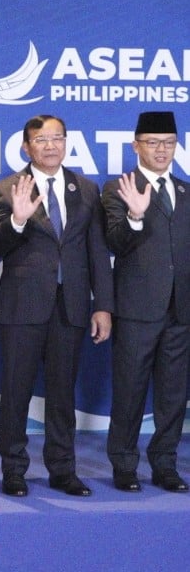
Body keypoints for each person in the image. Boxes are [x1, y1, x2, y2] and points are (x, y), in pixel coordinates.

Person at [0, 114, 113, 498]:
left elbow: (96, 253)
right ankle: (13, 470)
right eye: (42, 140)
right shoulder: (7, 188)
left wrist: (102, 305)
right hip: (22, 308)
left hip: (71, 307)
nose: (51, 145)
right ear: (26, 146)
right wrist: (18, 222)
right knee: (15, 391)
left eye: (58, 138)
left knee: (62, 394)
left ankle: (62, 469)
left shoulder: (86, 189)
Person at [102, 110, 190, 493]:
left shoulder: (186, 190)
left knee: (173, 393)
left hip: (181, 310)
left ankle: (165, 463)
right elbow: (114, 242)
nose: (161, 150)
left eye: (168, 143)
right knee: (130, 389)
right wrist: (135, 217)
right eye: (153, 143)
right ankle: (124, 464)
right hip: (137, 309)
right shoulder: (119, 187)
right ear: (136, 145)